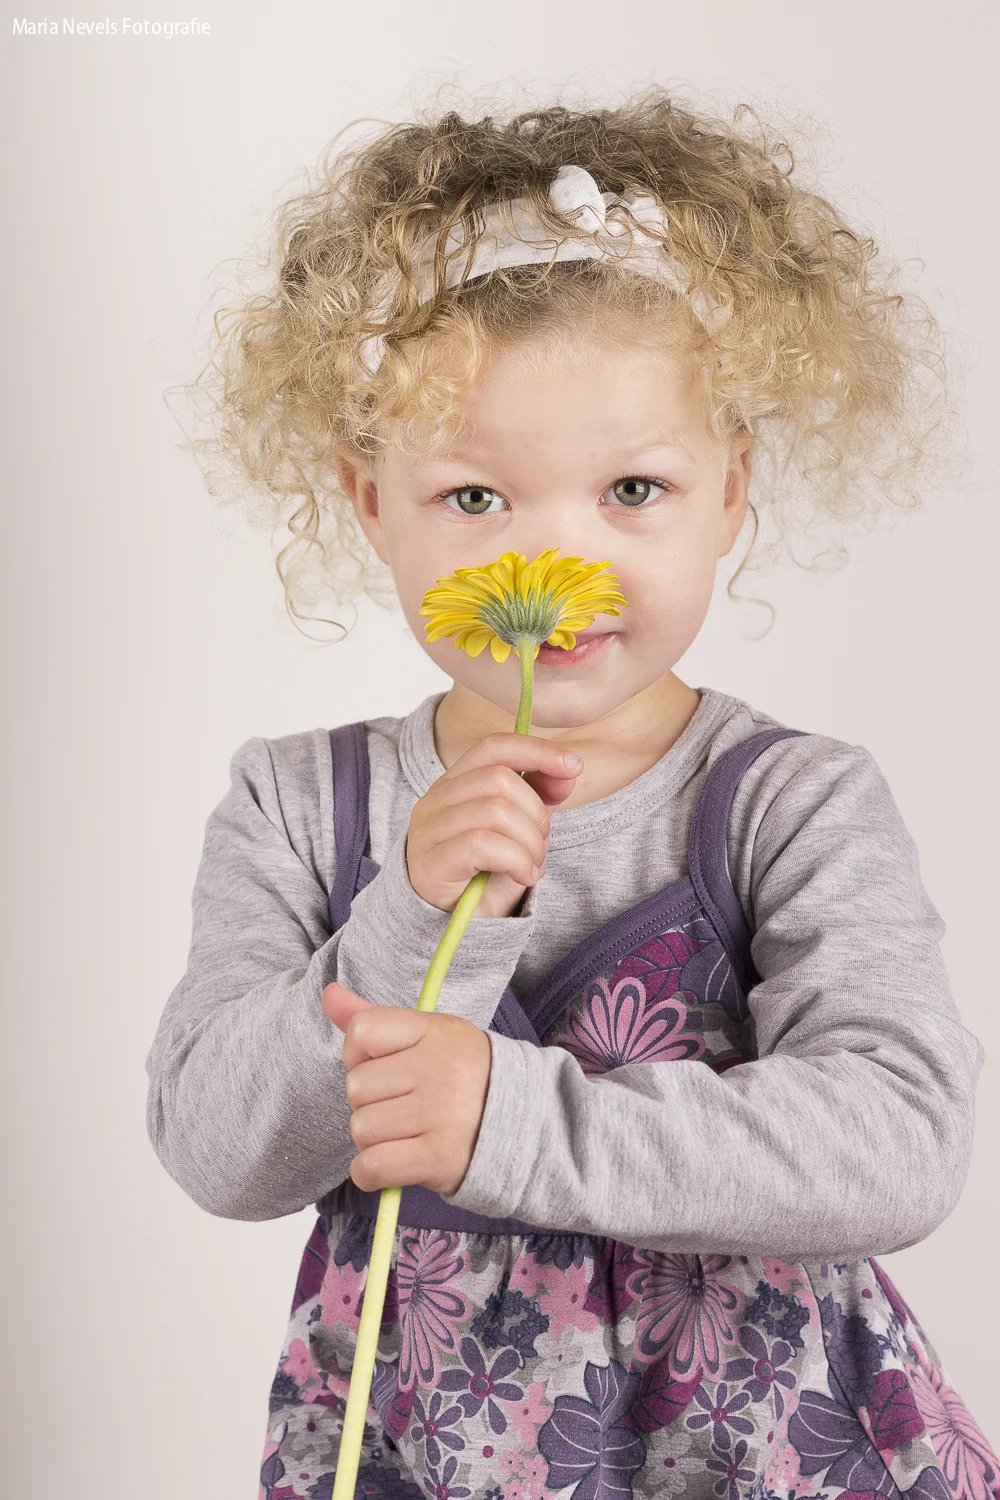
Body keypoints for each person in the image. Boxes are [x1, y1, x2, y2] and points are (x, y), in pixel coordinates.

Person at [145, 87, 999, 1499]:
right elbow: (222, 1151)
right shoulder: (301, 804)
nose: (564, 560)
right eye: (476, 500)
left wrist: (507, 1122)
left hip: (765, 1450)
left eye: (635, 490)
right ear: (370, 500)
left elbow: (902, 1142)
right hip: (433, 1447)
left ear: (734, 487)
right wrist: (411, 914)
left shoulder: (791, 803)